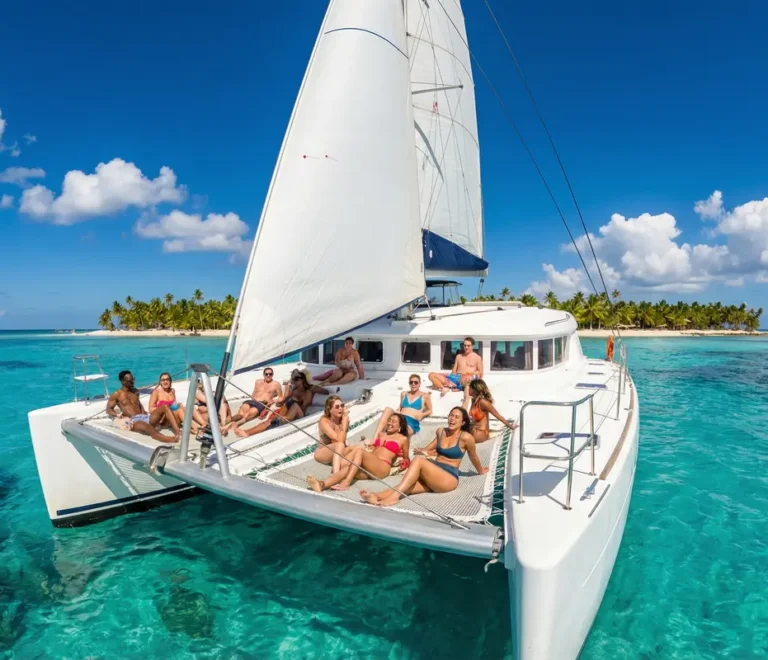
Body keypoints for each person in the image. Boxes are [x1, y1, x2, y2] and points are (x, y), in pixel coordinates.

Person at [360, 406, 487, 506]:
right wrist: (422, 450)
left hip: (448, 479)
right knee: (406, 486)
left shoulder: (466, 437)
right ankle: (377, 496)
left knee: (418, 461)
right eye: (451, 415)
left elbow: (473, 456)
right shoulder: (441, 431)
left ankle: (394, 498)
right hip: (434, 474)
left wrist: (481, 470)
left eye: (456, 417)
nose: (452, 419)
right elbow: (431, 446)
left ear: (463, 422)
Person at [307, 411, 410, 492]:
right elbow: (375, 450)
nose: (389, 423)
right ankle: (322, 484)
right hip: (370, 465)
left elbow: (406, 457)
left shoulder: (403, 439)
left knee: (359, 451)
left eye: (393, 421)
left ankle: (346, 483)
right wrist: (370, 446)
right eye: (389, 420)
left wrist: (404, 462)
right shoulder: (381, 435)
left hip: (382, 467)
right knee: (348, 468)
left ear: (400, 426)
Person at [106, 370, 181, 442]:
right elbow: (108, 409)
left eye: (133, 379)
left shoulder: (135, 391)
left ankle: (178, 432)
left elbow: (139, 405)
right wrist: (117, 414)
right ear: (123, 381)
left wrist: (146, 413)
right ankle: (170, 439)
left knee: (165, 406)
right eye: (130, 380)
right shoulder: (117, 394)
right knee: (148, 428)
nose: (133, 381)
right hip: (133, 421)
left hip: (144, 417)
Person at [232, 371, 313, 438]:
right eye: (293, 379)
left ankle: (278, 421)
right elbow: (284, 399)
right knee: (267, 422)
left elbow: (304, 406)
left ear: (303, 380)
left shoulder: (308, 391)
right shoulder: (293, 390)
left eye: (297, 379)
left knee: (293, 406)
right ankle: (247, 432)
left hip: (299, 414)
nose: (294, 381)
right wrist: (285, 390)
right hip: (287, 412)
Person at [225, 368, 283, 432]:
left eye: (270, 374)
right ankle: (231, 419)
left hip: (261, 404)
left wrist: (273, 401)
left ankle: (236, 424)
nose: (268, 375)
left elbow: (281, 397)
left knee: (248, 414)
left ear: (272, 375)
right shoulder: (258, 382)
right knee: (241, 413)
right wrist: (251, 399)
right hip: (252, 401)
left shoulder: (276, 384)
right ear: (264, 375)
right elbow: (254, 392)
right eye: (266, 374)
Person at [313, 395, 349, 473]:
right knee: (340, 445)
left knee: (358, 448)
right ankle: (336, 475)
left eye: (342, 405)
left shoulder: (342, 420)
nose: (340, 408)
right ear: (330, 410)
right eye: (337, 406)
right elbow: (340, 441)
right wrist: (345, 423)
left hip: (339, 452)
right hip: (323, 453)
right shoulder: (324, 421)